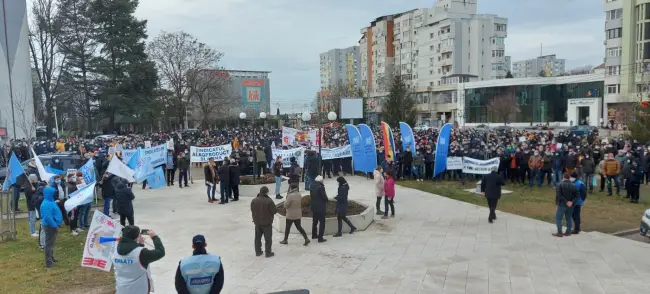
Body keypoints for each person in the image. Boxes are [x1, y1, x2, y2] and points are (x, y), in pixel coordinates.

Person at [114, 226, 165, 294]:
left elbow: (130, 257)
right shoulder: (142, 253)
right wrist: (155, 237)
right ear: (137, 237)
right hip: (139, 289)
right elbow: (160, 252)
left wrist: (140, 245)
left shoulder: (115, 251)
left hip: (122, 289)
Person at [280, 182, 310, 246]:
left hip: (290, 214)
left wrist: (284, 203)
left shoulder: (290, 196)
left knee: (287, 227)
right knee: (299, 227)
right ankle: (306, 238)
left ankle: (285, 240)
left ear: (291, 188)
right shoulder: (299, 194)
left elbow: (286, 205)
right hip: (298, 214)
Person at [250, 186, 277, 257]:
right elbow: (274, 211)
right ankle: (268, 252)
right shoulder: (269, 201)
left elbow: (252, 210)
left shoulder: (254, 200)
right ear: (266, 192)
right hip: (267, 223)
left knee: (257, 238)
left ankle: (258, 251)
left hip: (257, 223)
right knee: (268, 238)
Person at [40, 186, 62, 268]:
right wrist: (55, 226)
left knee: (51, 243)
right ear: (49, 194)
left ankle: (51, 258)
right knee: (49, 244)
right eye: (53, 193)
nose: (54, 194)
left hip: (52, 225)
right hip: (50, 226)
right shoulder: (46, 204)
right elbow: (47, 217)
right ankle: (48, 262)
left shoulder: (50, 201)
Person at [553, 173, 577, 237]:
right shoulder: (574, 185)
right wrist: (571, 202)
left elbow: (559, 195)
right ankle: (568, 232)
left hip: (562, 204)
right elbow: (577, 196)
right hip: (571, 205)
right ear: (569, 177)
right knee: (568, 218)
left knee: (558, 218)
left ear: (563, 177)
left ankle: (559, 232)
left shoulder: (559, 184)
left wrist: (566, 202)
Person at [309, 176, 328, 242]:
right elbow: (324, 197)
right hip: (320, 207)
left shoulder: (311, 186)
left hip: (314, 206)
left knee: (315, 222)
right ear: (320, 181)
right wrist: (326, 200)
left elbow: (311, 196)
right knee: (322, 222)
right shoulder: (321, 187)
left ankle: (314, 235)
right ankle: (320, 238)